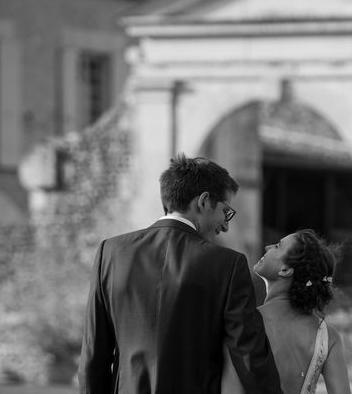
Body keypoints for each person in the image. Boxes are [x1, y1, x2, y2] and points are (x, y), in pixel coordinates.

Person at [78, 154, 283, 394]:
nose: (225, 225)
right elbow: (250, 357)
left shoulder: (110, 253)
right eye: (226, 212)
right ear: (204, 201)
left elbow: (94, 356)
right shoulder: (228, 264)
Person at [253, 229, 352, 394]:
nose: (267, 247)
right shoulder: (327, 337)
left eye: (277, 246)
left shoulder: (247, 321)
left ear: (285, 270)